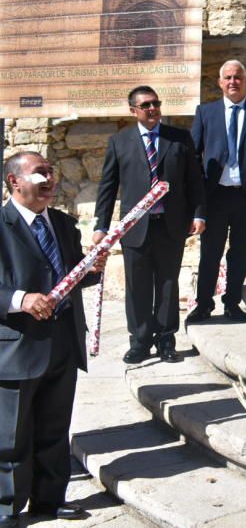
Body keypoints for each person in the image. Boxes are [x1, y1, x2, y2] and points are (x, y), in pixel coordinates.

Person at [0, 152, 108, 526]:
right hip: (17, 347)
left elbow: (70, 277)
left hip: (63, 344)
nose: (49, 178)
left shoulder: (62, 223)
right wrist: (20, 300)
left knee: (54, 429)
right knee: (11, 436)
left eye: (51, 171)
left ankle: (50, 501)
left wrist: (92, 269)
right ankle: (7, 507)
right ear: (15, 182)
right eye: (39, 173)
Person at [93, 86, 206, 363]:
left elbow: (195, 180)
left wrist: (199, 214)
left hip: (171, 224)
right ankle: (140, 341)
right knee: (138, 286)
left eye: (156, 103)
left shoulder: (179, 138)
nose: (153, 108)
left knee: (168, 284)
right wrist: (101, 225)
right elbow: (108, 187)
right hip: (134, 228)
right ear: (133, 110)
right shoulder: (119, 142)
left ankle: (167, 340)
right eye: (146, 105)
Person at [186, 60, 246, 324]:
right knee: (210, 253)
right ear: (220, 82)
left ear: (245, 81)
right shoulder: (206, 112)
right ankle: (203, 305)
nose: (233, 82)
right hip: (214, 195)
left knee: (240, 253)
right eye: (227, 78)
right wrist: (197, 196)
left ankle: (232, 303)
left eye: (237, 77)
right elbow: (193, 154)